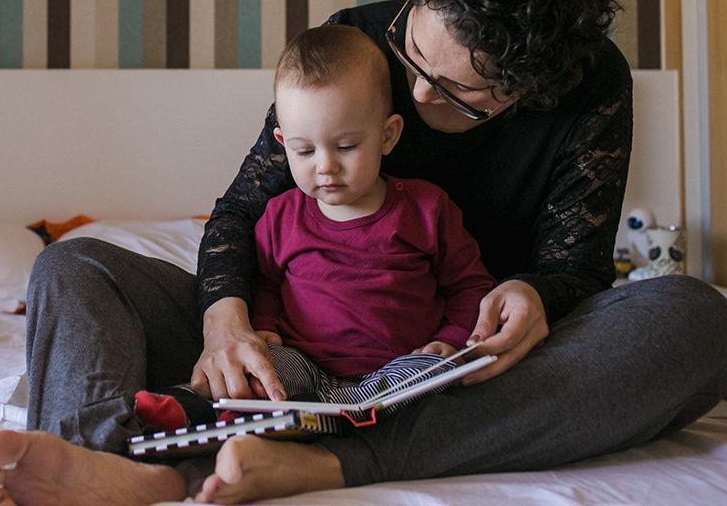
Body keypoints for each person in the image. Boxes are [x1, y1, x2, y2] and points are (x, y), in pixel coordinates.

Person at [0, 0, 727, 506]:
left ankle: (325, 464)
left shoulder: (588, 82)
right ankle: (96, 466)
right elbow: (243, 211)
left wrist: (533, 294)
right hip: (293, 348)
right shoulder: (356, 44)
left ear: (529, 89)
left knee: (691, 316)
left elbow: (576, 266)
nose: (416, 89)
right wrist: (224, 320)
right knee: (75, 269)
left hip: (456, 363)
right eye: (413, 55)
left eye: (456, 95)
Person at [136, 25, 495, 434]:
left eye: (345, 147)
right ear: (282, 142)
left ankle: (322, 422)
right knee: (255, 376)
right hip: (303, 365)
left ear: (388, 135)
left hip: (399, 368)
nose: (325, 166)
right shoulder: (279, 216)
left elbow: (470, 287)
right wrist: (266, 329)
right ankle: (190, 408)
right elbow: (268, 286)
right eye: (304, 151)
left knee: (435, 379)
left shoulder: (428, 209)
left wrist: (447, 341)